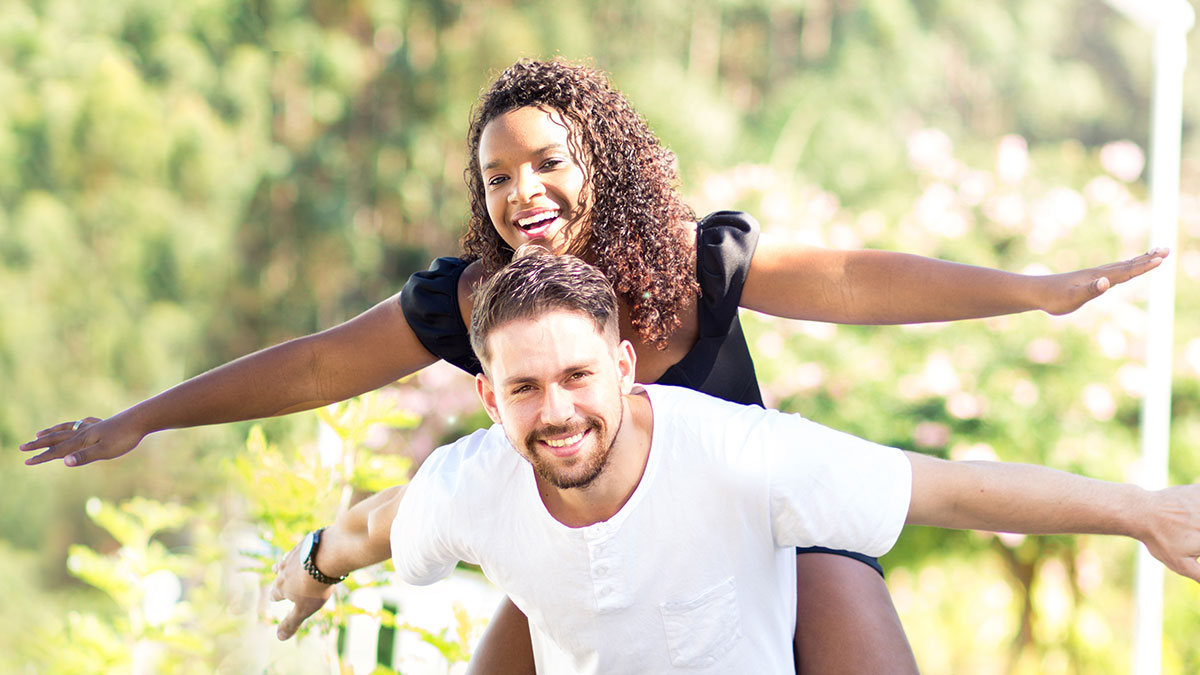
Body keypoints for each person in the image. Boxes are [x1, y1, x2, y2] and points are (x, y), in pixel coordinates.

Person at [21, 59, 1168, 673]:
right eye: (497, 177)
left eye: (547, 163)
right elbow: (321, 364)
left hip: (746, 527)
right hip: (577, 544)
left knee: (843, 587)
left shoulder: (693, 261)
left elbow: (862, 282)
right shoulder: (470, 301)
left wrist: (1034, 293)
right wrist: (144, 421)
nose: (524, 195)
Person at [269, 252, 1200, 674]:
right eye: (524, 389)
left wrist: (1143, 509)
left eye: (578, 376)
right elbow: (369, 525)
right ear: (487, 396)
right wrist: (311, 568)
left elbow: (948, 487)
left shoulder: (739, 457)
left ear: (624, 365)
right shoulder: (476, 485)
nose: (556, 414)